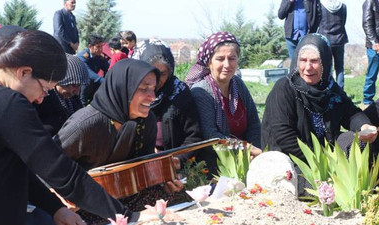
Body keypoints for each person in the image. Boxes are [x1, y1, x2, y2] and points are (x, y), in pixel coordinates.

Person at [0, 28, 162, 225]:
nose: (41, 100)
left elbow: (16, 167)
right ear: (23, 72)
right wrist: (126, 216)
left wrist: (55, 208)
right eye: (45, 89)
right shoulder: (9, 104)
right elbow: (63, 173)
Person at [54, 58, 184, 211]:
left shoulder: (147, 120)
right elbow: (46, 166)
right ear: (122, 88)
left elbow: (143, 166)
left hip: (127, 196)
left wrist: (164, 179)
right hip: (86, 204)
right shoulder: (85, 125)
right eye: (144, 89)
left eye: (153, 89)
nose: (152, 97)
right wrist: (62, 198)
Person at [261, 33, 377, 163]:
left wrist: (364, 125)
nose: (308, 67)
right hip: (293, 160)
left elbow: (351, 114)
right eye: (303, 60)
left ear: (325, 63)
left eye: (314, 61)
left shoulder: (330, 88)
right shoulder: (285, 88)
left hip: (325, 154)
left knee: (356, 141)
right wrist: (319, 163)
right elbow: (284, 136)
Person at [132, 39, 217, 172]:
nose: (157, 79)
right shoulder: (130, 95)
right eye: (152, 72)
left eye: (163, 74)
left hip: (172, 168)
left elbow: (194, 136)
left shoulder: (179, 93)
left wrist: (177, 160)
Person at [185, 32, 262, 157]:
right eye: (220, 59)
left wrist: (255, 153)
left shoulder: (238, 84)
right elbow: (211, 137)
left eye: (232, 58)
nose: (227, 65)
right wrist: (246, 149)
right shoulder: (201, 92)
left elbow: (254, 123)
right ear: (209, 62)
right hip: (217, 163)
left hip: (248, 157)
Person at [35, 53, 89, 136]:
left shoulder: (73, 99)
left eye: (79, 86)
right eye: (74, 85)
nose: (77, 92)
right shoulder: (42, 100)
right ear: (59, 81)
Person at [317, 0, 348, 89]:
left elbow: (318, 21)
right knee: (339, 68)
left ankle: (327, 89)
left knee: (326, 67)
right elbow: (343, 22)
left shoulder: (320, 5)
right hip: (339, 40)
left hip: (325, 40)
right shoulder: (343, 6)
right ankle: (340, 90)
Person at [77, 34, 109, 105]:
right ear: (90, 46)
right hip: (80, 85)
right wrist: (103, 81)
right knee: (88, 80)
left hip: (92, 85)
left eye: (101, 46)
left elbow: (108, 69)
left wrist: (109, 80)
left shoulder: (100, 57)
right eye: (98, 47)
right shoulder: (82, 57)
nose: (101, 49)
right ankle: (82, 104)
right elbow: (88, 73)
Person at [361, 0, 379, 108]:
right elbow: (367, 23)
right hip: (374, 46)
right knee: (372, 75)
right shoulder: (369, 2)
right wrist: (375, 42)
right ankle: (367, 100)